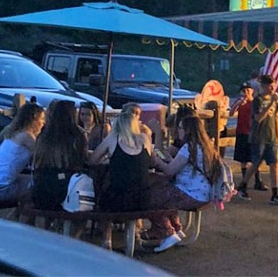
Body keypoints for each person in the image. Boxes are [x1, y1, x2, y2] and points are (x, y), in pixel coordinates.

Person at [148, 115, 220, 252]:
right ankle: (176, 228)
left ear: (188, 130)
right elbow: (179, 165)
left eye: (180, 128)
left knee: (149, 196)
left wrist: (156, 161)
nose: (178, 131)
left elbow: (169, 171)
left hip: (192, 194)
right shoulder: (205, 146)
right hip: (203, 193)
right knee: (164, 190)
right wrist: (169, 160)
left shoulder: (189, 147)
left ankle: (167, 232)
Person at [89, 110, 153, 251]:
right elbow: (151, 161)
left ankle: (107, 240)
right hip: (143, 199)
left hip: (119, 199)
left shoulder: (113, 138)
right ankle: (135, 235)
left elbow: (92, 160)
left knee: (103, 200)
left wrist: (109, 160)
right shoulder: (145, 139)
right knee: (134, 189)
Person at [238, 74, 278, 205]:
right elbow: (258, 118)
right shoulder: (257, 100)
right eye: (270, 86)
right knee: (255, 164)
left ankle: (275, 193)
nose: (272, 89)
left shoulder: (274, 100)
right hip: (258, 137)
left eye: (273, 86)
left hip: (271, 137)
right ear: (263, 86)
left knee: (274, 164)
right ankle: (243, 184)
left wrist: (277, 136)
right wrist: (270, 104)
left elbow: (275, 118)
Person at [32, 101, 88, 212]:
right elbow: (83, 159)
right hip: (67, 191)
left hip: (40, 189)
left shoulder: (44, 134)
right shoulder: (77, 135)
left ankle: (46, 227)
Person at [0, 103, 45, 204]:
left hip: (2, 181)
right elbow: (43, 157)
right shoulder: (26, 136)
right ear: (34, 120)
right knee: (39, 184)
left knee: (29, 180)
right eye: (42, 119)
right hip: (3, 188)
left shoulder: (12, 132)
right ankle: (26, 215)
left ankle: (21, 215)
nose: (43, 122)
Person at [230, 81, 266, 192]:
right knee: (243, 159)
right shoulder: (240, 102)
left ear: (252, 91)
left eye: (248, 90)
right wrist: (238, 104)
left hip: (252, 132)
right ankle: (244, 181)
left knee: (255, 158)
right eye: (244, 90)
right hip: (242, 132)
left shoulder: (255, 102)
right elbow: (231, 113)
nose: (246, 92)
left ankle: (257, 180)